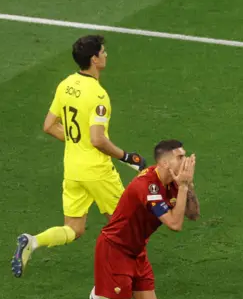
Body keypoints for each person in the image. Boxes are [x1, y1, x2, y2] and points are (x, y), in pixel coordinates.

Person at [12, 35, 146, 278]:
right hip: (97, 172)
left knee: (74, 228)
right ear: (94, 59)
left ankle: (32, 241)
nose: (106, 55)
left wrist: (77, 141)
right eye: (103, 52)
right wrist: (127, 156)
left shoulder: (66, 85)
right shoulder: (98, 95)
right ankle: (110, 281)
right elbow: (97, 140)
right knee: (129, 227)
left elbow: (49, 126)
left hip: (72, 170)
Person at [94, 140, 200, 299]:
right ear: (164, 162)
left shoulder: (173, 183)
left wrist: (189, 186)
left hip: (136, 250)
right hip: (114, 250)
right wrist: (183, 186)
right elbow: (175, 224)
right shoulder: (147, 186)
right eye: (180, 156)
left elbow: (193, 214)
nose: (184, 160)